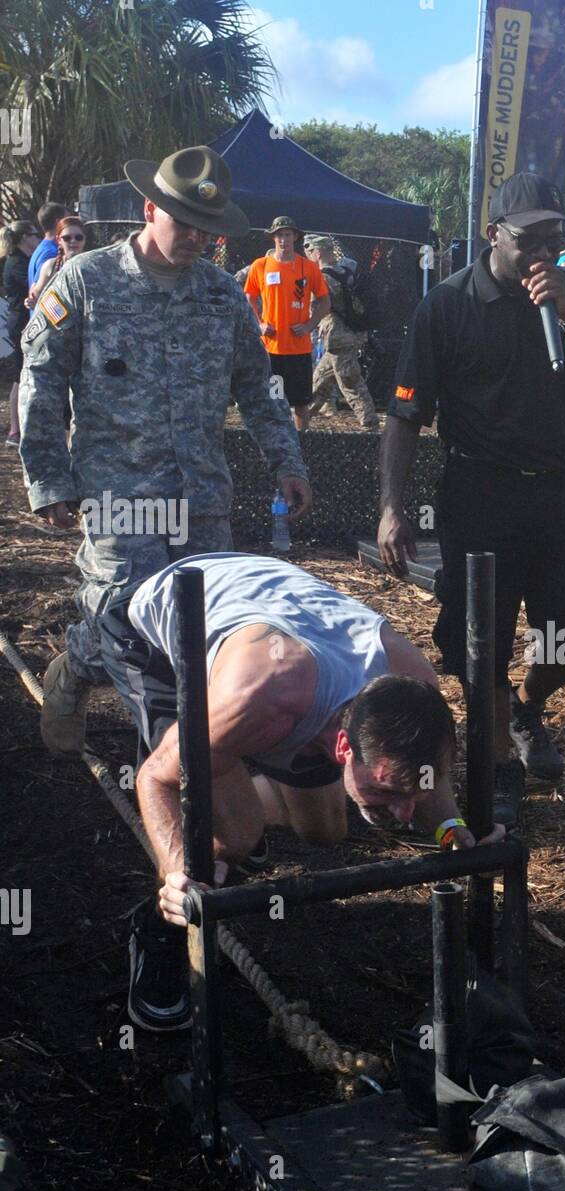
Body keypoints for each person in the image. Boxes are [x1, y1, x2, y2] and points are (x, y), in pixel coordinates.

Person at [97, 551, 502, 1032]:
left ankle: (235, 794)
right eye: (388, 791)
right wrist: (176, 872)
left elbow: (422, 777)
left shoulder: (412, 690)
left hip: (273, 616)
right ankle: (157, 932)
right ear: (343, 745)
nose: (403, 812)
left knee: (325, 830)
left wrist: (452, 830)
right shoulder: (262, 700)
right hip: (157, 635)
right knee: (235, 837)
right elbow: (155, 778)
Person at [19, 145, 311, 759]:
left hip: (201, 494)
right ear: (149, 210)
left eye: (209, 230)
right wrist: (48, 479)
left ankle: (197, 758)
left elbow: (257, 389)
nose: (197, 240)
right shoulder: (86, 280)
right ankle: (79, 671)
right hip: (119, 493)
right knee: (127, 618)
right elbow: (40, 380)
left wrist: (286, 461)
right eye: (185, 224)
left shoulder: (221, 295)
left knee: (198, 627)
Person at [377, 172, 565, 826]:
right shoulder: (448, 305)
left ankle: (527, 706)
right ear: (493, 234)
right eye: (529, 238)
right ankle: (499, 768)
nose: (543, 251)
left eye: (555, 236)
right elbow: (405, 415)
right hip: (480, 492)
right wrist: (391, 505)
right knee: (477, 645)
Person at [244, 215, 330, 432]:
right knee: (275, 402)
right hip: (272, 351)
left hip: (299, 351)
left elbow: (324, 301)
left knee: (301, 404)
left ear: (295, 237)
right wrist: (259, 324)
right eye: (280, 235)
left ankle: (301, 444)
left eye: (288, 235)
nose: (284, 240)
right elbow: (249, 298)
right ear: (273, 238)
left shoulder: (308, 268)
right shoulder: (260, 266)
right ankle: (276, 445)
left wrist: (310, 324)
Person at [303, 234, 378, 429]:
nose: (308, 255)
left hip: (339, 336)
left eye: (310, 251)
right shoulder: (348, 268)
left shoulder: (323, 277)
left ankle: (369, 422)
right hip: (350, 334)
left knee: (349, 381)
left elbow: (317, 305)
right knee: (320, 379)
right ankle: (300, 418)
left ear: (318, 253)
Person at [1, 221, 40, 446]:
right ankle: (14, 431)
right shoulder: (16, 263)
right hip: (19, 323)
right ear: (25, 237)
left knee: (22, 375)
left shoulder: (25, 260)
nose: (38, 239)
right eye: (35, 235)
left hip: (23, 321)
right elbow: (33, 287)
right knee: (18, 376)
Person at [26, 216, 87, 308]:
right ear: (58, 240)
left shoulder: (93, 266)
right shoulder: (51, 266)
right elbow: (35, 297)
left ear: (84, 239)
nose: (73, 241)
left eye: (78, 237)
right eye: (67, 238)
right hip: (57, 320)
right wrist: (30, 301)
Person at [26, 202, 69, 290]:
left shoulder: (42, 248)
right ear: (59, 222)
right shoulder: (52, 252)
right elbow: (38, 290)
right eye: (67, 220)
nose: (70, 224)